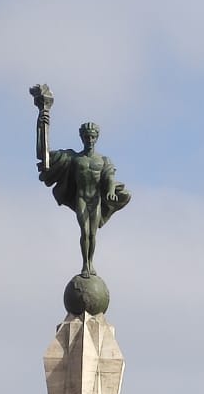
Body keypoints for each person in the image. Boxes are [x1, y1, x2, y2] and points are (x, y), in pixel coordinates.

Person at [30, 84, 132, 276]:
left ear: (97, 138)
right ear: (82, 138)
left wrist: (110, 190)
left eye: (92, 137)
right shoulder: (74, 158)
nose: (89, 140)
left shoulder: (103, 160)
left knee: (93, 234)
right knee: (85, 232)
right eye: (86, 137)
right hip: (81, 198)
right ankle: (86, 265)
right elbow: (44, 157)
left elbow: (109, 175)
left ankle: (90, 263)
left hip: (96, 199)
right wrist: (42, 119)